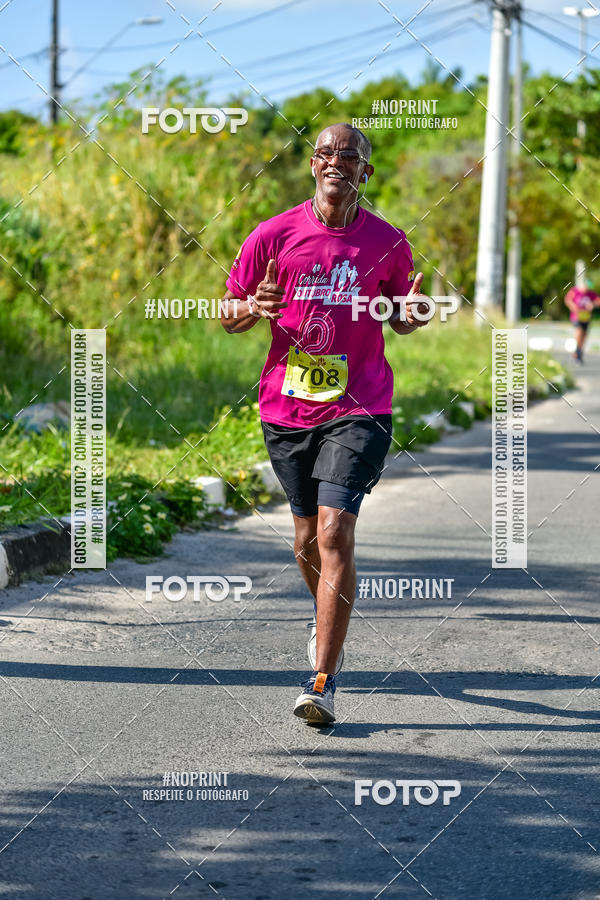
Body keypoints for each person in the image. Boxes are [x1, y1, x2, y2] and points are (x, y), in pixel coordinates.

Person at [220, 123, 429, 725]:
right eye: (328, 153)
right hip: (286, 408)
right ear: (313, 165)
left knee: (336, 533)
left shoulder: (388, 241)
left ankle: (323, 680)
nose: (338, 162)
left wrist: (413, 314)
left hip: (360, 404)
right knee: (306, 540)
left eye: (351, 156)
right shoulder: (273, 234)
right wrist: (248, 309)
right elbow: (229, 311)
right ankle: (324, 619)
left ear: (366, 172)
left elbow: (400, 315)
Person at [564, 280, 600, 363]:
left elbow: (598, 301)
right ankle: (577, 350)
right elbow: (568, 300)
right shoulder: (574, 291)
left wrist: (592, 304)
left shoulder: (591, 294)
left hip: (586, 317)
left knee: (584, 334)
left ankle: (578, 351)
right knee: (579, 330)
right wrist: (573, 307)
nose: (586, 289)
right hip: (576, 316)